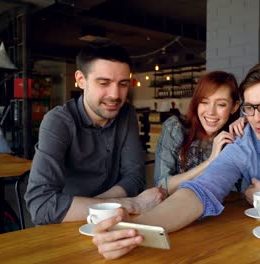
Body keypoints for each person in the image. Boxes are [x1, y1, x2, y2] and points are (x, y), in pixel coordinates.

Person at [92, 62, 260, 259]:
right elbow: (200, 191)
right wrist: (134, 228)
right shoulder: (243, 141)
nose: (256, 118)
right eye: (250, 108)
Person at [25, 40, 166, 225]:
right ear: (81, 80)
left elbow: (135, 177)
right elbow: (42, 207)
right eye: (104, 83)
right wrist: (131, 204)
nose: (115, 94)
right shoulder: (59, 121)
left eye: (123, 84)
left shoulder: (126, 113)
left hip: (111, 221)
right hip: (66, 225)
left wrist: (102, 206)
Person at [154, 71, 240, 194]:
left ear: (234, 107)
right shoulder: (175, 127)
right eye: (204, 102)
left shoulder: (236, 137)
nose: (211, 112)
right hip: (176, 210)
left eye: (221, 104)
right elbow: (162, 186)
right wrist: (210, 161)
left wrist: (249, 126)